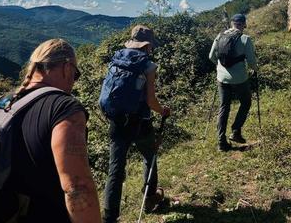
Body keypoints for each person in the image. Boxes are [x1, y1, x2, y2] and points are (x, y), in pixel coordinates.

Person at [9, 38, 101, 222]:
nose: (74, 81)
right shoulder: (64, 107)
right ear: (67, 68)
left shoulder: (3, 104)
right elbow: (77, 187)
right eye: (76, 74)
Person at [102, 25, 171, 223]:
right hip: (140, 122)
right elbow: (151, 101)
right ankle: (150, 199)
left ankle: (109, 218)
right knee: (150, 156)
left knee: (115, 169)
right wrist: (163, 111)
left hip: (117, 121)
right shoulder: (148, 66)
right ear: (148, 45)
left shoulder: (116, 58)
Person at [209, 13, 258, 152]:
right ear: (243, 24)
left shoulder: (220, 36)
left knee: (224, 107)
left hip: (221, 78)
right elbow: (251, 61)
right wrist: (255, 70)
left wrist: (220, 67)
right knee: (246, 102)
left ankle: (221, 142)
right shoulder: (245, 39)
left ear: (232, 23)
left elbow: (211, 56)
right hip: (239, 78)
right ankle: (236, 131)